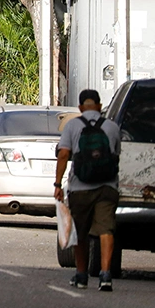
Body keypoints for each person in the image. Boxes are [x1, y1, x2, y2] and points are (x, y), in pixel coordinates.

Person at [55, 89, 122, 291]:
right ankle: (105, 275)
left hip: (80, 188)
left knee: (80, 233)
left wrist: (58, 184)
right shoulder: (112, 127)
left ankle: (82, 275)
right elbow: (116, 154)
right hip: (107, 186)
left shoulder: (72, 125)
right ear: (100, 106)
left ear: (80, 107)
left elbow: (64, 154)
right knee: (106, 229)